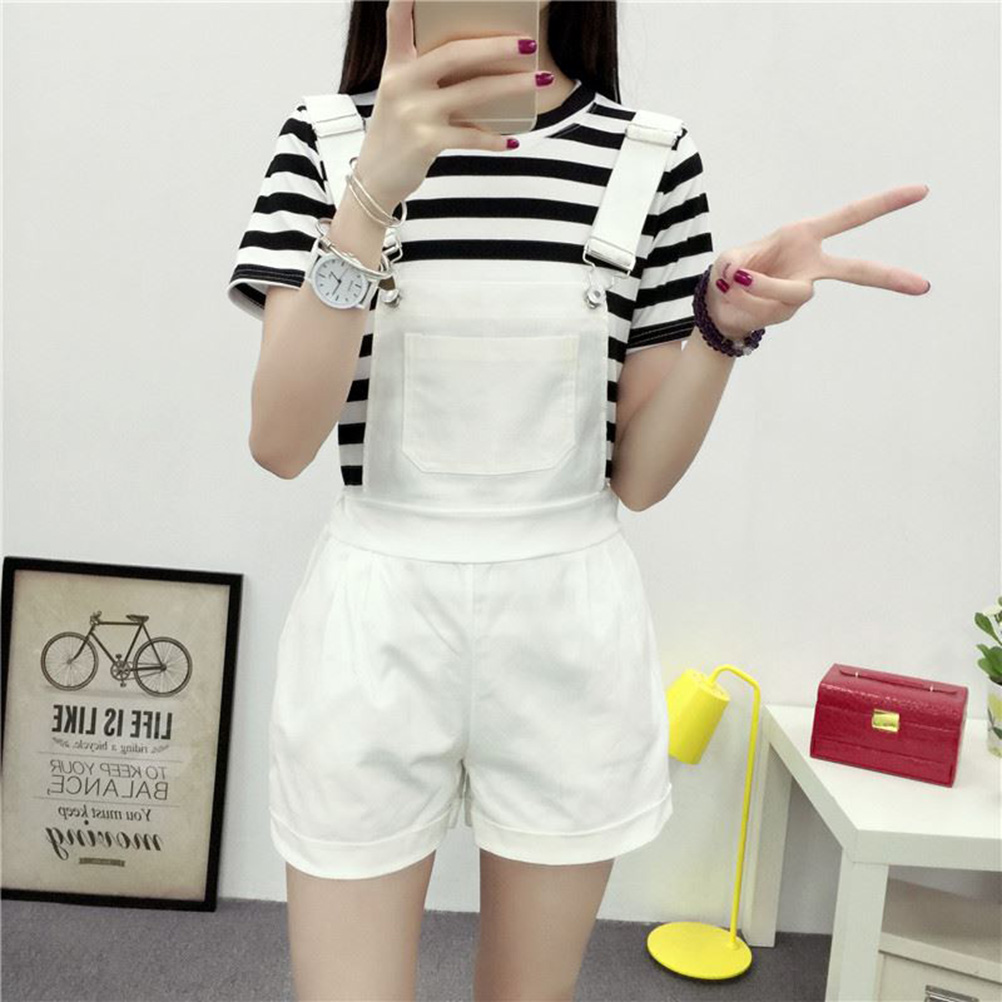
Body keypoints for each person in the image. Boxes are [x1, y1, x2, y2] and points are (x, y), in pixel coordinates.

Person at [226, 2, 931, 999]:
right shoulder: (326, 139)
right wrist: (371, 194)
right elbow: (280, 440)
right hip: (373, 620)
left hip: (565, 624)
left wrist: (720, 328)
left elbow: (638, 478)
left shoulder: (650, 159)